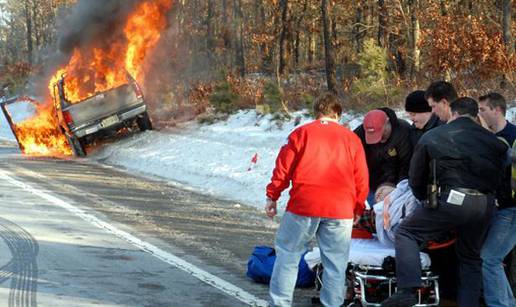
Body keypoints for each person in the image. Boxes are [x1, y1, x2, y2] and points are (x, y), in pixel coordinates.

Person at [381, 97, 507, 307]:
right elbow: (503, 176)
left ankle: (409, 289)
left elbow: (416, 176)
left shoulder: (434, 136)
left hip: (451, 199)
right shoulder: (494, 141)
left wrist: (424, 199)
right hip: (484, 203)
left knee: (407, 232)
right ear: (475, 115)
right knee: (470, 257)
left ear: (453, 113)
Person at [265, 91, 369, 307]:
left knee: (288, 257)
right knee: (335, 263)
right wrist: (358, 207)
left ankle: (280, 303)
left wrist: (272, 195)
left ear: (316, 113)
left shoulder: (300, 134)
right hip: (340, 209)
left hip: (304, 205)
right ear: (338, 113)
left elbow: (283, 168)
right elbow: (361, 176)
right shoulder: (352, 139)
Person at [479, 92, 516, 307]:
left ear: (497, 110)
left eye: (483, 110)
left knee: (489, 258)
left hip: (511, 210)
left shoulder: (512, 136)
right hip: (496, 209)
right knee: (492, 258)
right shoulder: (489, 138)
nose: (480, 114)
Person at [354, 108, 412, 203]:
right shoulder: (360, 133)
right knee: (376, 212)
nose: (380, 138)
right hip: (372, 184)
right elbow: (354, 161)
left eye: (382, 134)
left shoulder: (403, 130)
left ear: (387, 122)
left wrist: (394, 186)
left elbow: (407, 163)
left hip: (397, 185)